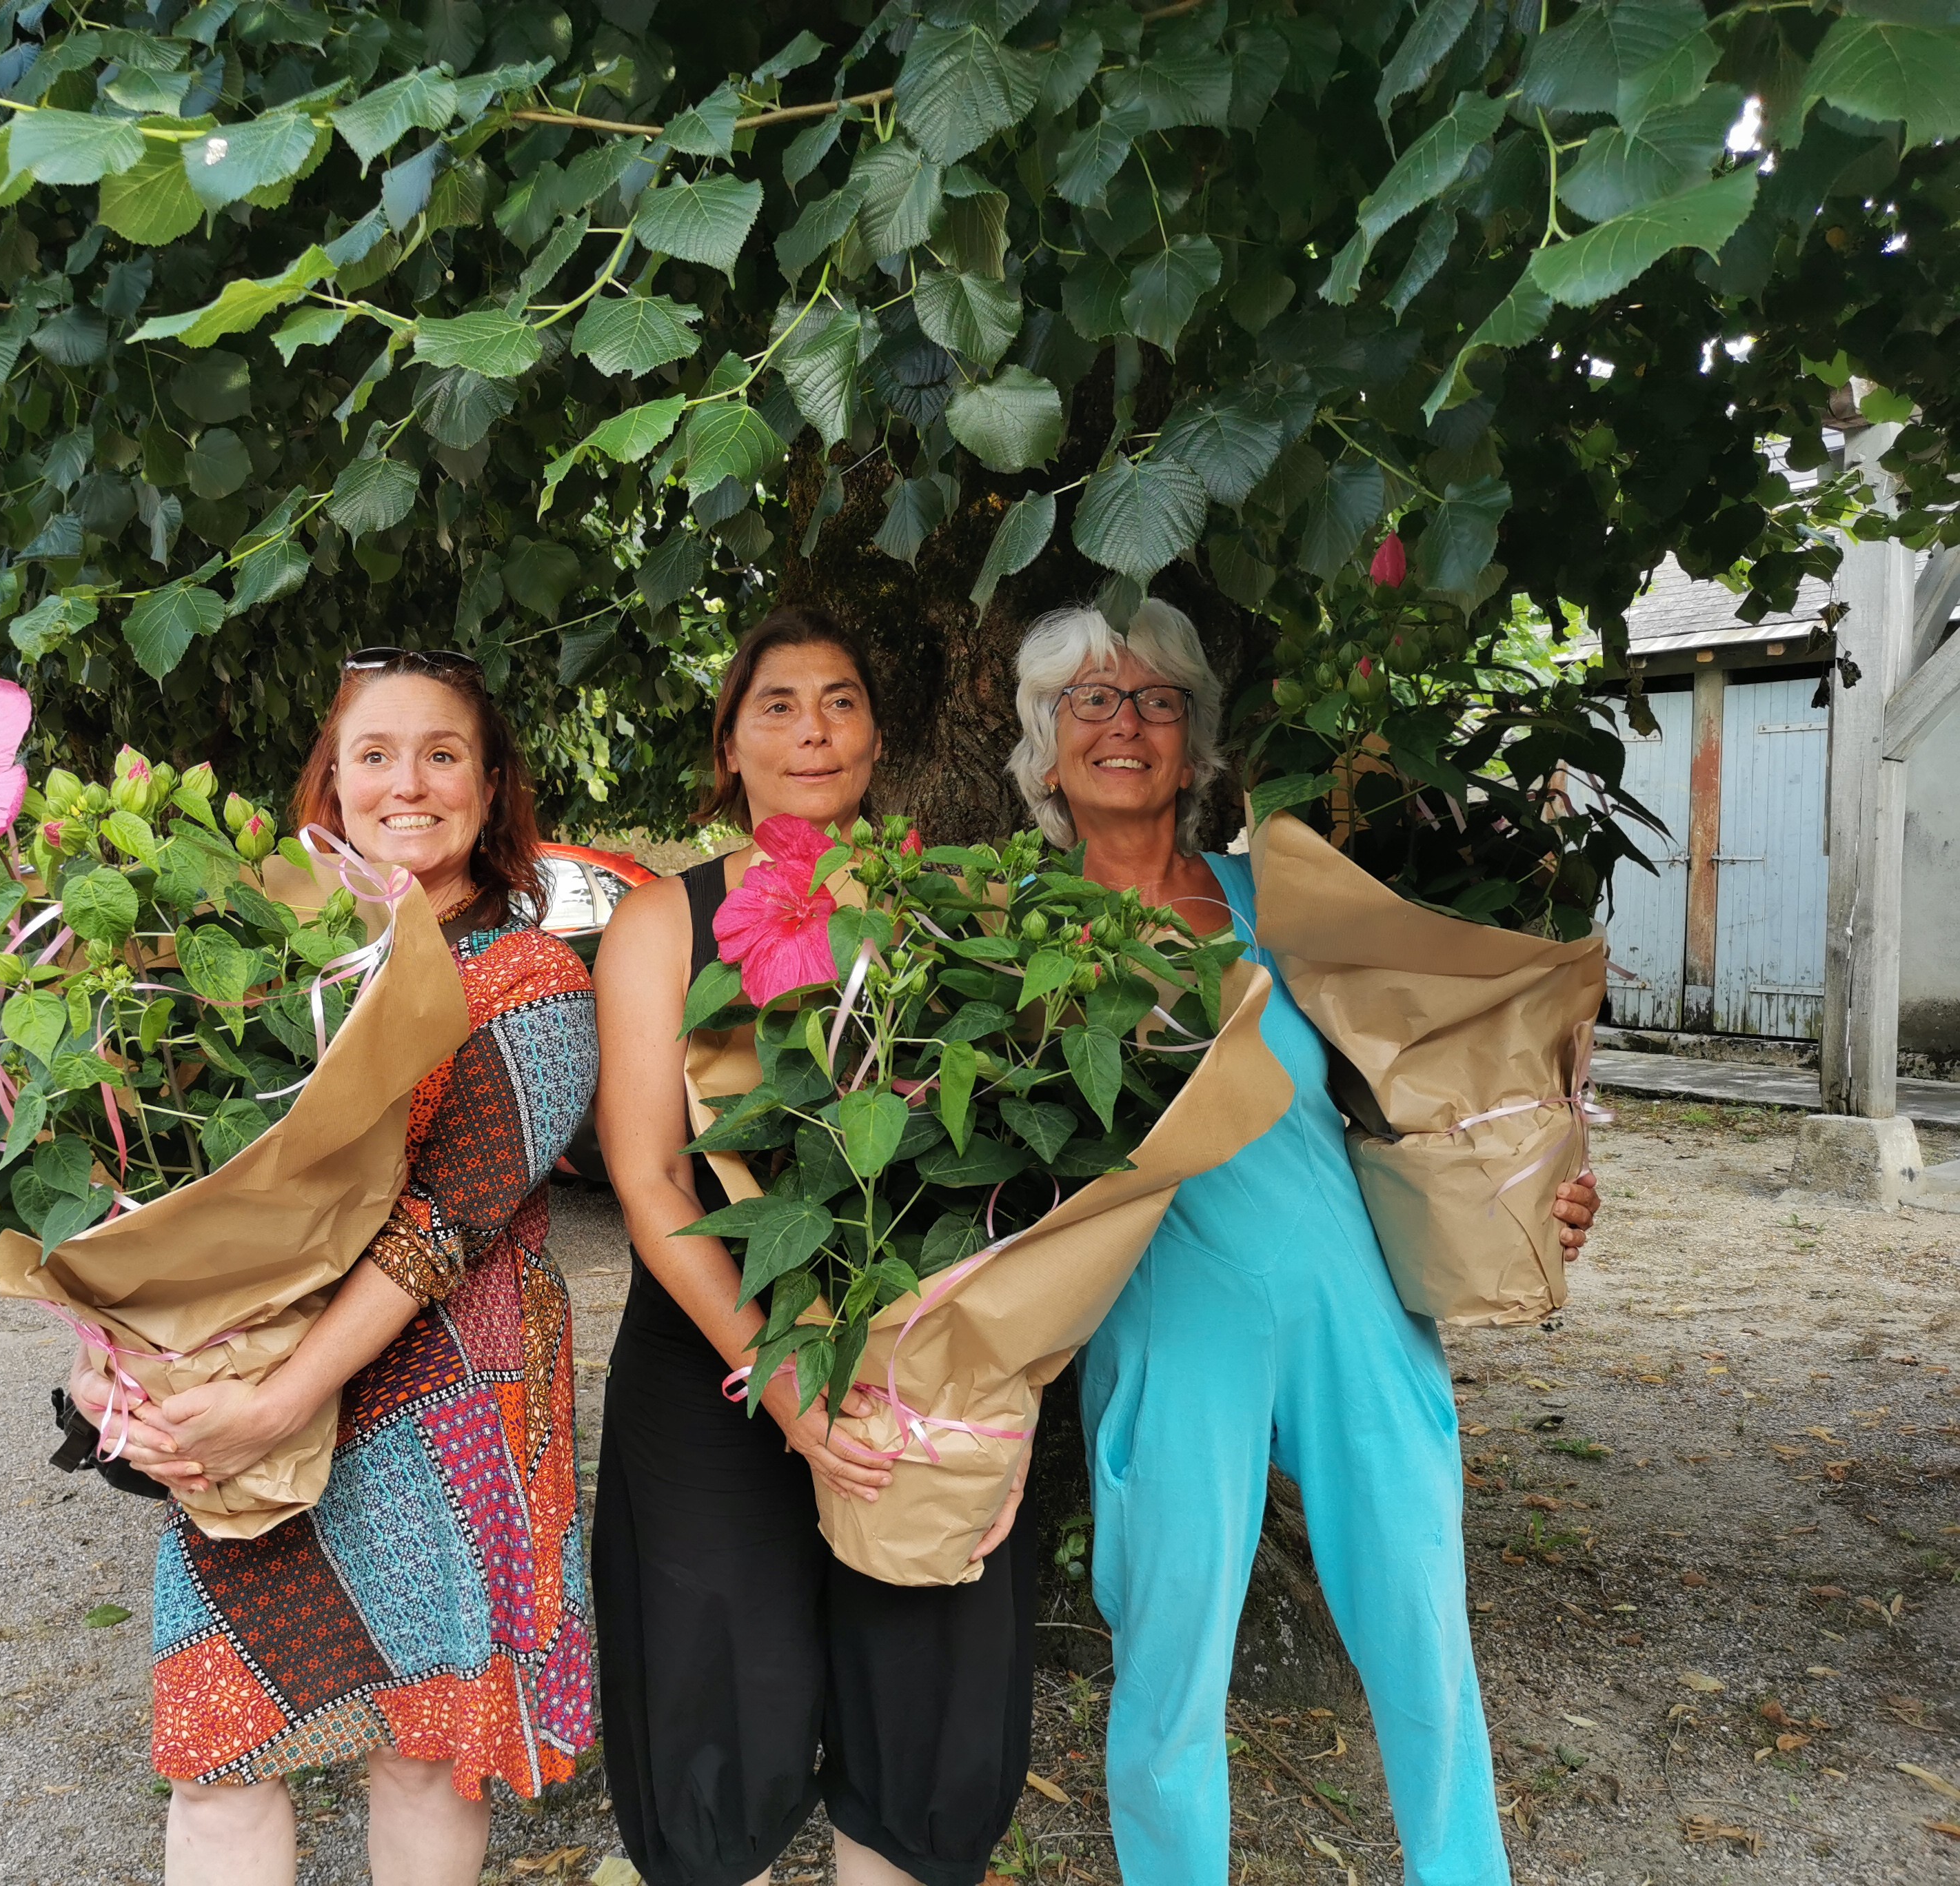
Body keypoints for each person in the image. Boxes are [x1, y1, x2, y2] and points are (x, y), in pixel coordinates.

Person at [1004, 600, 1601, 1886]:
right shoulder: (1005, 937)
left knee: (1422, 1634)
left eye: (1156, 699)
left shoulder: (1279, 906)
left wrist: (1539, 1178)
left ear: (1196, 743)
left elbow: (1422, 1089)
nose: (1124, 723)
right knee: (1167, 1671)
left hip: (1355, 1301)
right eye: (1089, 702)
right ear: (1043, 752)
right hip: (1170, 1319)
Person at [68, 647, 600, 1886]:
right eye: (375, 754)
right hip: (248, 1394)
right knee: (220, 1749)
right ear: (332, 782)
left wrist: (281, 1401)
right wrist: (106, 1357)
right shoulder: (252, 976)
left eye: (443, 754)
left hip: (451, 1397)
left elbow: (446, 1221)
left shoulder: (530, 977)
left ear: (492, 783)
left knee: (421, 1746)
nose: (407, 784)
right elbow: (162, 1190)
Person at [591, 607, 1034, 1886]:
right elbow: (648, 1174)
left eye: (841, 699)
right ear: (729, 744)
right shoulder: (662, 923)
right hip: (713, 1361)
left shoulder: (952, 906)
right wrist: (780, 1382)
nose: (812, 728)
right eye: (777, 704)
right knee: (715, 1703)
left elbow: (997, 1168)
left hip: (908, 1360)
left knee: (916, 1699)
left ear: (878, 737)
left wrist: (995, 1395)